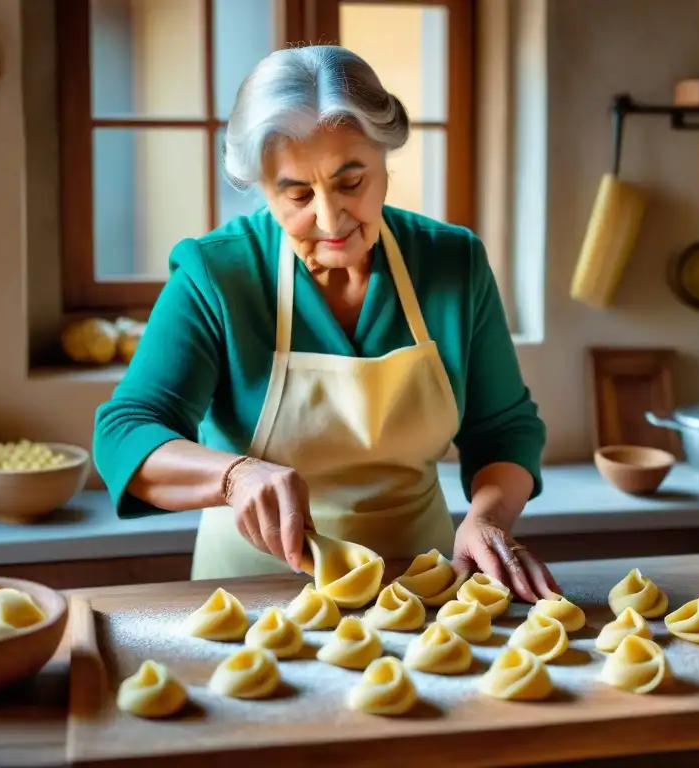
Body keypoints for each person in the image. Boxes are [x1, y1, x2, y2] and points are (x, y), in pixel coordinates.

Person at [93, 45, 558, 602]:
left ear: (385, 157)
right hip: (255, 594)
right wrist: (235, 476)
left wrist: (488, 519)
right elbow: (125, 432)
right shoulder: (216, 273)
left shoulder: (451, 262)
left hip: (423, 587)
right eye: (296, 194)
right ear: (261, 188)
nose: (331, 218)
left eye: (352, 182)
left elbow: (504, 429)